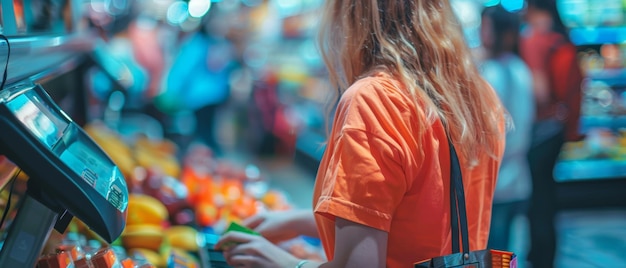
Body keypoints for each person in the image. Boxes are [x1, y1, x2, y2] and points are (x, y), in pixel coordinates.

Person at [215, 0, 507, 267]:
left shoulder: (374, 100)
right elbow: (418, 219)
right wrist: (295, 221)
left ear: (350, 15)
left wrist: (284, 262)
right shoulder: (479, 98)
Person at [519, 0, 583, 267]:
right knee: (547, 196)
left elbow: (540, 91)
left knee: (538, 201)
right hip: (557, 129)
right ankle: (545, 255)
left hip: (540, 130)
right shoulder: (560, 38)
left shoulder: (535, 38)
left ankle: (540, 256)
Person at [479, 4, 534, 261]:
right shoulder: (519, 69)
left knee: (495, 255)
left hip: (495, 182)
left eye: (485, 28)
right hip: (515, 178)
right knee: (504, 256)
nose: (481, 34)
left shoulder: (491, 73)